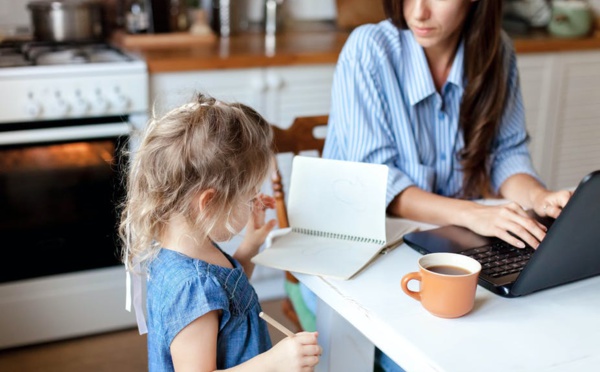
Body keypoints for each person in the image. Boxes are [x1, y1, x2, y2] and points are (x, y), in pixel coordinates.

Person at [308, 1, 572, 371]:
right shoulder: (369, 49)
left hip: (442, 248)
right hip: (351, 255)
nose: (418, 12)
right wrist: (475, 214)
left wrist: (540, 197)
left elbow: (507, 155)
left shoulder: (498, 51)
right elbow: (380, 184)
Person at [119, 93, 321, 372]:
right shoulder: (191, 287)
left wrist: (249, 246)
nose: (255, 201)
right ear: (208, 203)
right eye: (249, 195)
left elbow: (228, 299)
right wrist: (274, 363)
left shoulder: (192, 244)